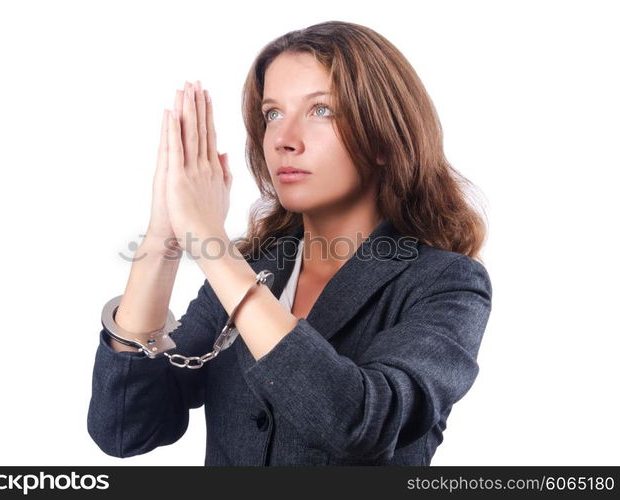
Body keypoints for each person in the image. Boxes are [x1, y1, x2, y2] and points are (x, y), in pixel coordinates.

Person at [87, 20, 493, 466]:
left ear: (382, 137)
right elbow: (124, 429)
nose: (283, 140)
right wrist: (165, 232)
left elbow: (358, 425)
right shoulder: (258, 264)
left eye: (321, 110)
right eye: (272, 114)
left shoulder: (446, 283)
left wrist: (212, 246)